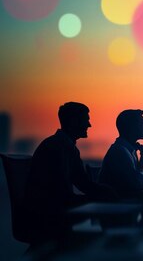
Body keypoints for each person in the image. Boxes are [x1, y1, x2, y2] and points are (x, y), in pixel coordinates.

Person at [23, 102, 115, 240]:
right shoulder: (60, 147)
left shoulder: (62, 145)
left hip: (49, 213)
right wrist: (107, 194)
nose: (89, 125)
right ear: (73, 121)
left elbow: (83, 184)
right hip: (49, 217)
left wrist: (103, 191)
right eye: (86, 119)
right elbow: (63, 194)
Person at [99, 109, 143, 196]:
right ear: (132, 127)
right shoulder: (120, 152)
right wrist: (142, 159)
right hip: (116, 206)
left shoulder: (127, 150)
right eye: (142, 123)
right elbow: (136, 185)